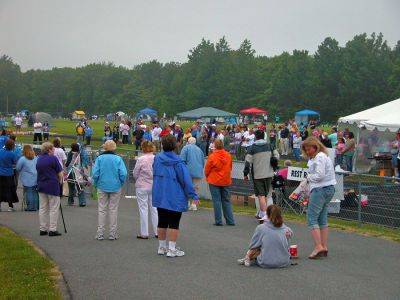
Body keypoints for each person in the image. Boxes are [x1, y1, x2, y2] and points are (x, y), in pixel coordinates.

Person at [152, 135, 199, 257]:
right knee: (174, 222)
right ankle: (172, 249)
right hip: (174, 195)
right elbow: (185, 180)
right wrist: (193, 195)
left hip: (160, 193)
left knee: (162, 221)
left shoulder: (157, 158)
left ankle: (162, 247)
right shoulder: (178, 162)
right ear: (174, 145)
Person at [301, 137, 336, 259]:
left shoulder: (319, 157)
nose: (307, 152)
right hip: (328, 188)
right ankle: (324, 246)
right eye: (306, 150)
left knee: (311, 218)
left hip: (320, 189)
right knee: (322, 218)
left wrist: (309, 177)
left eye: (309, 149)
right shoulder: (323, 156)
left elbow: (319, 175)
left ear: (315, 147)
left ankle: (318, 246)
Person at [92, 140, 127, 240]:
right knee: (113, 209)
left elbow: (95, 173)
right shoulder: (118, 159)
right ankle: (112, 233)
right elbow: (123, 173)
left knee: (102, 209)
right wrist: (120, 182)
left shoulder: (100, 158)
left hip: (102, 185)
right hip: (115, 185)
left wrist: (97, 182)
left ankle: (100, 233)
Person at [243, 130, 279, 220]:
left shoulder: (252, 148)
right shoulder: (270, 146)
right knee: (269, 195)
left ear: (255, 137)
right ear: (264, 136)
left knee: (261, 195)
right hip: (269, 174)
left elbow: (247, 162)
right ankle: (270, 215)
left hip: (257, 175)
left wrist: (245, 173)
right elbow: (277, 157)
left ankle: (264, 215)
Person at [205, 139, 235, 226]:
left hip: (214, 180)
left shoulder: (212, 156)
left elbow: (207, 169)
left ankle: (218, 220)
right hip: (225, 180)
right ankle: (230, 220)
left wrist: (208, 177)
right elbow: (230, 167)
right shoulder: (228, 155)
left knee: (217, 201)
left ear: (215, 146)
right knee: (226, 200)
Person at [36, 142, 63, 236]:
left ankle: (42, 228)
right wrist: (60, 182)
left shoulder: (39, 159)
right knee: (54, 208)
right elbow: (60, 173)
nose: (54, 150)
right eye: (53, 149)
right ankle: (52, 229)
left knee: (43, 208)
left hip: (41, 185)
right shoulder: (53, 158)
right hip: (52, 185)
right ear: (49, 150)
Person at [133, 140, 158, 239]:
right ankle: (157, 231)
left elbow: (135, 172)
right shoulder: (156, 158)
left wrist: (138, 179)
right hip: (154, 184)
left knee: (143, 209)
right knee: (154, 208)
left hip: (142, 184)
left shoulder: (141, 159)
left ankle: (144, 232)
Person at [180, 137, 205, 211]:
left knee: (186, 187)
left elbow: (182, 160)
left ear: (188, 142)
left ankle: (186, 203)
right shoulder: (199, 150)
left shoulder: (186, 148)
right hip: (198, 171)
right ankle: (194, 205)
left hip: (188, 171)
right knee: (196, 188)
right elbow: (203, 162)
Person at [16, 145, 39, 211]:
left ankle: (30, 207)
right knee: (34, 192)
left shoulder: (23, 159)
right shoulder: (35, 158)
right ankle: (35, 206)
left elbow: (18, 168)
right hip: (35, 176)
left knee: (29, 192)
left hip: (27, 178)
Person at [0, 139, 19, 212]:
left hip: (1, 173)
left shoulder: (0, 151)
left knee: (1, 189)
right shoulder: (12, 154)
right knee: (10, 190)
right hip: (9, 173)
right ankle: (10, 206)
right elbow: (15, 162)